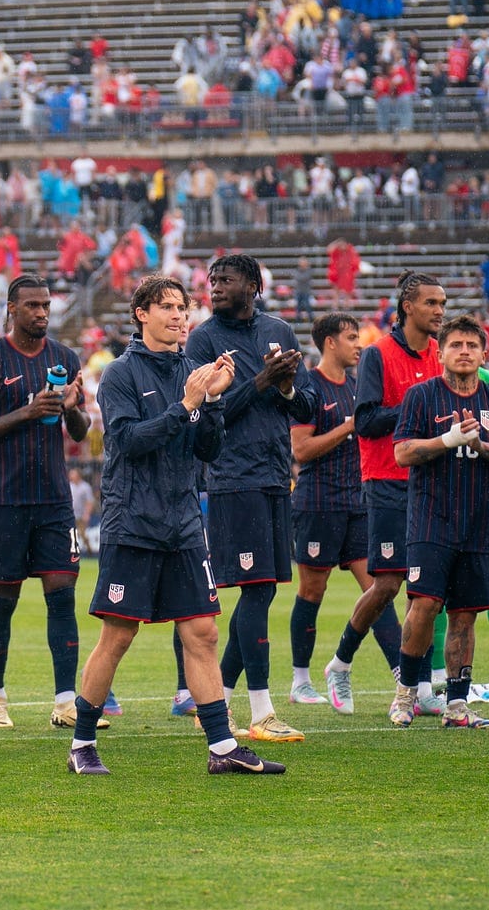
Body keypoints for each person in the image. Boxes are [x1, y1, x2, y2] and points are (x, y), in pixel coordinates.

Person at [66, 275, 282, 778]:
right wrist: (185, 405)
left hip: (183, 523)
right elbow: (127, 442)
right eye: (166, 307)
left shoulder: (194, 372)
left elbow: (209, 449)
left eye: (182, 308)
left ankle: (223, 747)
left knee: (202, 633)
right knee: (118, 636)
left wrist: (213, 403)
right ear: (141, 314)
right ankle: (81, 743)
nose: (178, 316)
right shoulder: (119, 374)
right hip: (133, 522)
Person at [185, 254, 314, 744]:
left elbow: (306, 407)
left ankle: (212, 701)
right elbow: (207, 412)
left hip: (275, 475)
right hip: (232, 477)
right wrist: (261, 381)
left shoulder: (278, 330)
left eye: (227, 279)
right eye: (213, 280)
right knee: (257, 588)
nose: (216, 286)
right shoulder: (203, 340)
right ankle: (261, 711)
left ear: (254, 285)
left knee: (264, 589)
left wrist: (285, 385)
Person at [0, 276, 92, 729]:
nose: (42, 313)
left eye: (46, 305)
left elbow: (80, 431)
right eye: (33, 305)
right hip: (5, 499)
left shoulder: (65, 358)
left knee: (63, 596)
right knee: (3, 600)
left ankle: (65, 702)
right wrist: (27, 412)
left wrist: (71, 407)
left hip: (53, 499)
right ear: (12, 309)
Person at [387, 315, 489, 729]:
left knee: (466, 615)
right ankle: (406, 694)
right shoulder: (422, 396)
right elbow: (402, 453)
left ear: (484, 354)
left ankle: (458, 705)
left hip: (479, 523)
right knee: (424, 606)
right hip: (431, 520)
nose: (464, 351)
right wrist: (447, 440)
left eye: (471, 345)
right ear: (441, 353)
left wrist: (480, 445)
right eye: (456, 345)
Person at [322, 272, 444, 718]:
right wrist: (417, 405)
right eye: (431, 303)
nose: (439, 311)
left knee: (426, 591)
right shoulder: (377, 354)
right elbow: (366, 421)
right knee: (389, 584)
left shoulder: (439, 353)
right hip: (386, 479)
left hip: (429, 482)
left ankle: (421, 686)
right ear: (408, 306)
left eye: (442, 303)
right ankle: (340, 662)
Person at [288, 313, 400, 710]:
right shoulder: (308, 387)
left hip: (358, 502)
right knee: (312, 591)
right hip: (318, 503)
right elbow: (301, 450)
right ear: (330, 342)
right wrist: (348, 427)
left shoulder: (357, 387)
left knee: (379, 589)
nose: (359, 344)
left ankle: (404, 677)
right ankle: (300, 680)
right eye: (351, 337)